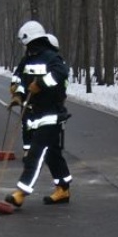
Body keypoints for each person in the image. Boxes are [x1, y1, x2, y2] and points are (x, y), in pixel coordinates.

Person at [5, 20, 72, 208]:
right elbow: (17, 76)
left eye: (26, 43)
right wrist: (17, 92)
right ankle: (63, 189)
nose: (25, 47)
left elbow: (60, 74)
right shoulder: (27, 59)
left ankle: (21, 192)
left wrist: (40, 84)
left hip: (50, 114)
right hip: (33, 113)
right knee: (52, 154)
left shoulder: (52, 58)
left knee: (35, 154)